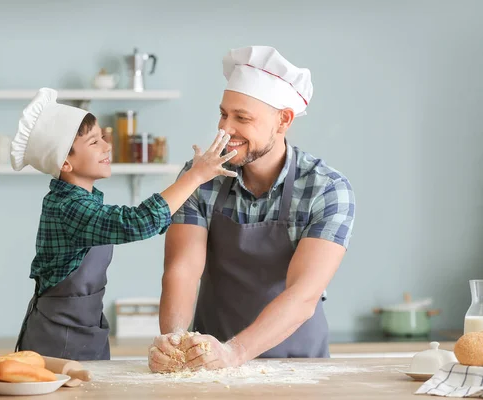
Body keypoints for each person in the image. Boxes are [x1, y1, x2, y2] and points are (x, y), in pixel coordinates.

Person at [148, 46, 356, 372]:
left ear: (283, 120)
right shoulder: (201, 176)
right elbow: (182, 268)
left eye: (242, 117)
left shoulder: (326, 189)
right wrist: (174, 340)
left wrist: (234, 352)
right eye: (223, 113)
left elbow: (303, 295)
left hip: (299, 368)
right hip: (208, 365)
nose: (225, 129)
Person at [10, 87, 237, 361]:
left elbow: (141, 220)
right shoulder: (68, 207)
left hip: (84, 331)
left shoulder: (84, 201)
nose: (107, 146)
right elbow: (138, 222)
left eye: (103, 137)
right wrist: (194, 177)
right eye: (94, 142)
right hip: (58, 340)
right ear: (65, 163)